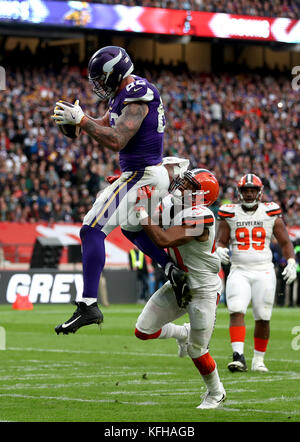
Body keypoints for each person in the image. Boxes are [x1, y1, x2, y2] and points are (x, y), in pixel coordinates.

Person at [52, 46, 190, 334]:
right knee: (132, 227)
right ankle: (173, 270)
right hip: (141, 175)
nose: (99, 86)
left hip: (144, 175)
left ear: (114, 73)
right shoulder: (123, 95)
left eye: (101, 80)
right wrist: (73, 123)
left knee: (91, 228)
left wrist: (82, 120)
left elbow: (117, 140)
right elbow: (99, 127)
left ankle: (88, 304)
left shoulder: (138, 94)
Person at [133, 168, 226, 409]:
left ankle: (215, 392)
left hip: (203, 289)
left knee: (197, 350)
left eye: (189, 186)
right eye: (183, 182)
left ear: (202, 195)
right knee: (142, 330)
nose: (181, 187)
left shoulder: (202, 216)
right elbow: (148, 213)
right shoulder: (176, 206)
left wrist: (143, 209)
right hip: (180, 282)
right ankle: (181, 333)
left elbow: (162, 239)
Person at [216, 173, 297, 373]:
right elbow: (221, 240)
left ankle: (258, 360)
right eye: (246, 190)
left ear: (259, 192)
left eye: (253, 190)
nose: (250, 194)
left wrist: (292, 262)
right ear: (239, 192)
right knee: (236, 308)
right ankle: (238, 356)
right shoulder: (230, 213)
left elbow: (286, 242)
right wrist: (219, 248)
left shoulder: (270, 213)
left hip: (264, 270)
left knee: (263, 316)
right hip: (239, 269)